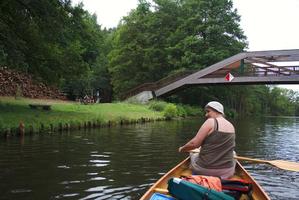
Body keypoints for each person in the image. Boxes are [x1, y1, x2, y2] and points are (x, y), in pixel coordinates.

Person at [178, 101, 235, 179]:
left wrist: (182, 149)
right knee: (234, 153)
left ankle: (194, 169)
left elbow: (194, 144)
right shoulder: (231, 126)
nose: (206, 115)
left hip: (206, 170)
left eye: (208, 111)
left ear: (217, 111)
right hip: (228, 172)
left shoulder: (211, 122)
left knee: (193, 153)